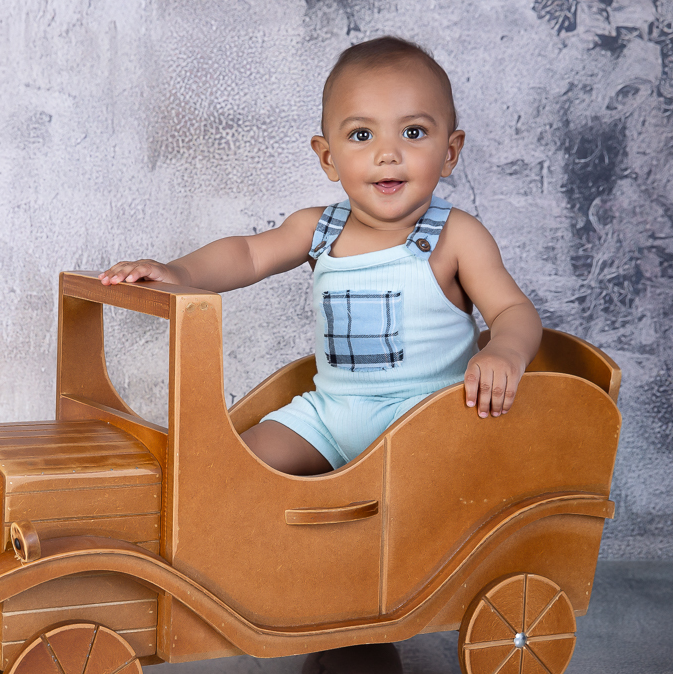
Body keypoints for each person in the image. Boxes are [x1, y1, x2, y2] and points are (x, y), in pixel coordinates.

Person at [100, 36, 542, 476]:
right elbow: (247, 254)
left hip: (429, 421)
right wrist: (178, 271)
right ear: (328, 157)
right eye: (361, 135)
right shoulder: (318, 229)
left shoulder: (457, 236)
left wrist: (505, 351)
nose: (388, 154)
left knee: (421, 488)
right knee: (231, 473)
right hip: (330, 418)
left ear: (449, 152)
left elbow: (512, 310)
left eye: (413, 132)